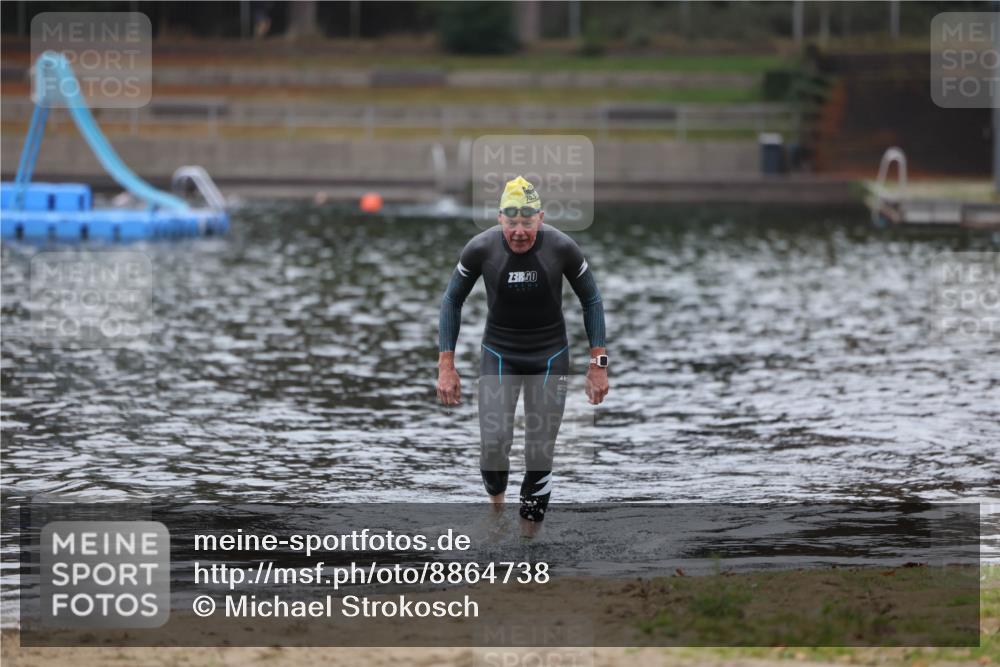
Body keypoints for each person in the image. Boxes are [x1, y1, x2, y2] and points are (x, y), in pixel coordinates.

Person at [436, 175, 609, 538]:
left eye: (526, 223)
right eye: (511, 222)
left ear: (540, 218)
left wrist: (598, 365)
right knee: (495, 441)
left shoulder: (562, 248)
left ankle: (529, 542)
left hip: (550, 356)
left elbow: (591, 300)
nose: (518, 232)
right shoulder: (479, 249)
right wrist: (446, 366)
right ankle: (496, 515)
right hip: (500, 353)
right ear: (499, 218)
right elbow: (452, 299)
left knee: (540, 449)